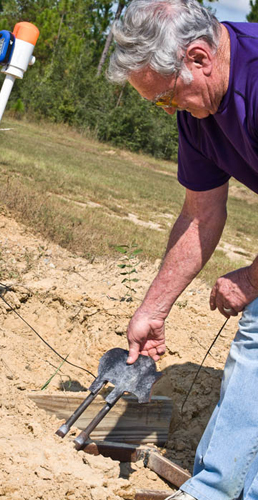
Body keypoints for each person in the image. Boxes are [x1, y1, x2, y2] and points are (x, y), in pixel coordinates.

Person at [107, 1, 258, 499]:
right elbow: (201, 213)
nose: (169, 111)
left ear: (199, 57)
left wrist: (252, 279)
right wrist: (153, 309)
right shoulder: (198, 107)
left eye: (167, 98)